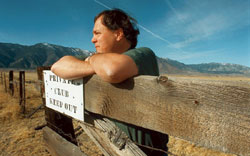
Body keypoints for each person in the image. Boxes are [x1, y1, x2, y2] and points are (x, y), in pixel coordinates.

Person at [51, 9, 168, 156]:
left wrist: (91, 60)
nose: (92, 40)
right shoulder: (102, 61)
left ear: (118, 34)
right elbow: (58, 66)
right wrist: (94, 65)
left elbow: (112, 71)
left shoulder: (144, 55)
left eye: (97, 33)